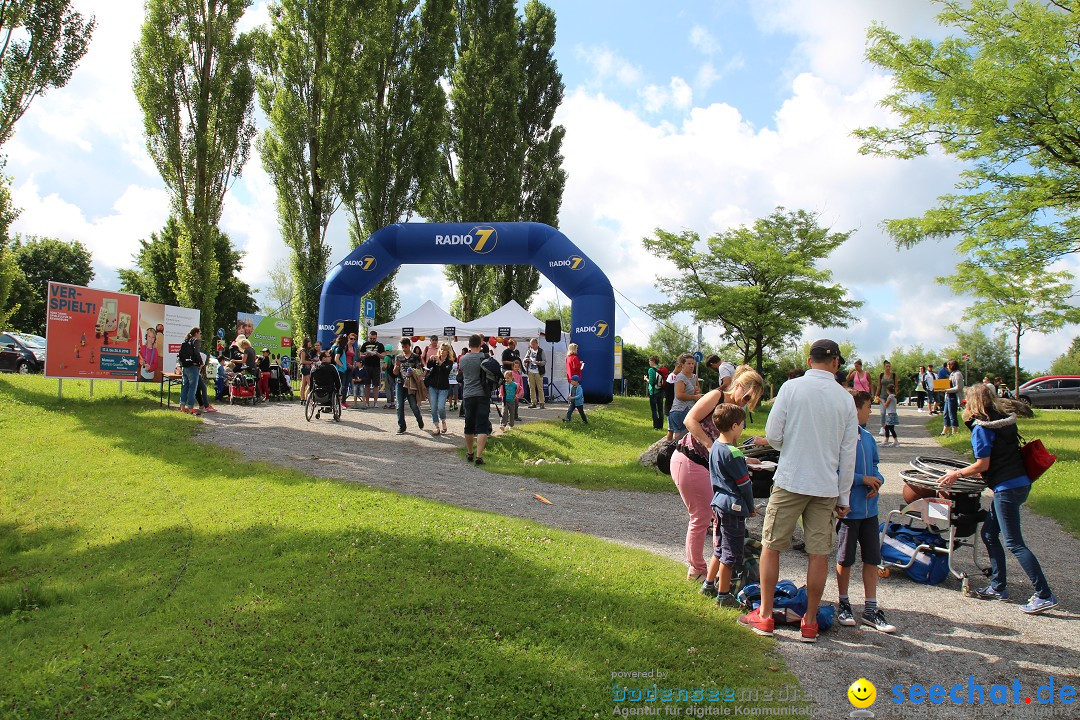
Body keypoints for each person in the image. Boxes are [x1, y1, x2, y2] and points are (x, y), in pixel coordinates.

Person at [739, 339, 858, 642]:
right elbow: (849, 453)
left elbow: (774, 436)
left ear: (808, 360)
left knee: (771, 545)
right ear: (836, 364)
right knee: (818, 554)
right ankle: (810, 621)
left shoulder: (791, 389)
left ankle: (765, 615)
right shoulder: (845, 399)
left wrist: (784, 443)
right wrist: (844, 496)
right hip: (825, 486)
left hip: (791, 480)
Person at [939, 384, 1058, 614]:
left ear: (971, 404)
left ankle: (1044, 594)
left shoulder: (981, 429)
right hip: (1020, 482)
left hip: (1007, 487)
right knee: (989, 534)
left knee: (1014, 543)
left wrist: (956, 474)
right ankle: (998, 586)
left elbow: (983, 464)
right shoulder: (1004, 420)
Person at [674, 366, 766, 582]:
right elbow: (690, 420)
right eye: (746, 396)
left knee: (718, 515)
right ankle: (696, 570)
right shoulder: (716, 396)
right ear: (740, 386)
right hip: (689, 459)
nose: (746, 402)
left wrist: (745, 459)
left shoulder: (736, 411)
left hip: (708, 465)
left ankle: (720, 569)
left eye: (750, 400)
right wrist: (709, 445)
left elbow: (730, 445)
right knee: (701, 516)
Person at [836, 391, 895, 633]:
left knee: (872, 559)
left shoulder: (869, 438)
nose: (870, 411)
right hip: (850, 512)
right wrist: (863, 480)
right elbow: (836, 473)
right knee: (845, 559)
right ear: (855, 409)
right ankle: (843, 602)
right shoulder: (840, 438)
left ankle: (871, 608)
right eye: (868, 407)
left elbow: (876, 467)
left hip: (870, 513)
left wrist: (877, 480)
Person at [698, 403, 756, 608]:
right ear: (733, 426)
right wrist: (750, 506)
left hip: (719, 504)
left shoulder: (715, 447)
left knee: (720, 548)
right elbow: (745, 485)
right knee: (731, 553)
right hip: (734, 506)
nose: (743, 429)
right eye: (741, 425)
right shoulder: (734, 453)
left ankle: (708, 584)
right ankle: (724, 595)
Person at [460, 334, 492, 464]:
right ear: (481, 344)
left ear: (469, 344)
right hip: (482, 394)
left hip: (468, 394)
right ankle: (479, 457)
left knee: (469, 425)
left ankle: (469, 453)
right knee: (482, 425)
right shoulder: (484, 357)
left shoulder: (463, 359)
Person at [392, 337, 425, 434]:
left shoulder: (415, 357)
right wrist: (397, 366)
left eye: (405, 347)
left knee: (413, 405)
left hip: (411, 384)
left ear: (409, 346)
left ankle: (419, 419)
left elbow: (420, 371)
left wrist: (413, 372)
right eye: (402, 347)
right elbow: (394, 372)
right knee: (399, 405)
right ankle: (402, 426)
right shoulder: (398, 357)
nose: (404, 349)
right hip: (400, 382)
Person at [667, 354, 701, 441]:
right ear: (682, 365)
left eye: (693, 363)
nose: (691, 366)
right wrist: (694, 397)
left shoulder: (694, 377)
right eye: (688, 363)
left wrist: (697, 391)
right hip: (680, 410)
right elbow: (679, 395)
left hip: (689, 409)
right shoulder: (680, 377)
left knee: (680, 437)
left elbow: (697, 390)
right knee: (683, 437)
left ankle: (675, 452)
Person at [426, 342, 454, 435]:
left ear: (448, 352)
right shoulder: (435, 359)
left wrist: (440, 362)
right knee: (433, 408)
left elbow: (446, 371)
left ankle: (443, 421)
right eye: (441, 349)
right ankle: (437, 426)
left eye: (445, 350)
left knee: (441, 407)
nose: (442, 351)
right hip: (433, 387)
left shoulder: (449, 362)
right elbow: (428, 366)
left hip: (443, 388)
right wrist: (430, 360)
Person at [178, 327, 203, 415]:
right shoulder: (195, 341)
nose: (200, 334)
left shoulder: (186, 341)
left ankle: (182, 407)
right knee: (192, 388)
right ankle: (190, 408)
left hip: (185, 367)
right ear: (196, 333)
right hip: (193, 367)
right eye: (200, 333)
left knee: (185, 387)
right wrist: (201, 362)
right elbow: (196, 352)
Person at [358, 330, 385, 409]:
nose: (372, 340)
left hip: (376, 366)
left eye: (374, 338)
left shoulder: (380, 345)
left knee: (376, 385)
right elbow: (360, 355)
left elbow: (383, 356)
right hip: (367, 366)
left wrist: (377, 354)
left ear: (376, 337)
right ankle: (367, 402)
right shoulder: (365, 344)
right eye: (371, 338)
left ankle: (375, 402)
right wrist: (366, 355)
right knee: (367, 385)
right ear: (369, 337)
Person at [942, 359, 964, 436]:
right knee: (945, 414)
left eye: (948, 365)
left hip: (954, 397)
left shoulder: (958, 374)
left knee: (952, 415)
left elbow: (959, 387)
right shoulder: (951, 374)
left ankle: (954, 432)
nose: (947, 367)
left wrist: (947, 390)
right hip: (948, 397)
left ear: (952, 365)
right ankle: (944, 431)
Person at [875, 360, 897, 436]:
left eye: (889, 366)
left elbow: (896, 386)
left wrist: (895, 394)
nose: (888, 368)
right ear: (884, 367)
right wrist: (876, 394)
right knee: (883, 412)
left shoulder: (893, 375)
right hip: (883, 396)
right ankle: (883, 427)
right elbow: (879, 386)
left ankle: (890, 428)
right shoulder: (881, 375)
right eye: (887, 366)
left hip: (891, 396)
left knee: (890, 413)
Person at [524, 338, 546, 409]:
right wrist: (526, 360)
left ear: (537, 344)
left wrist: (538, 363)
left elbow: (544, 362)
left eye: (533, 344)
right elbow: (524, 359)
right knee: (531, 387)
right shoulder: (529, 351)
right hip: (530, 371)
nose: (532, 346)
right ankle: (533, 402)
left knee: (540, 388)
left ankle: (542, 403)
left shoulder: (541, 351)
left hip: (538, 372)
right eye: (531, 344)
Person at [646, 355, 665, 430]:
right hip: (661, 391)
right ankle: (661, 426)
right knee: (660, 409)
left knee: (654, 409)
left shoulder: (651, 370)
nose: (649, 363)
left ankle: (655, 426)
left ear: (653, 362)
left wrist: (646, 379)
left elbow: (651, 382)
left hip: (653, 392)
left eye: (650, 361)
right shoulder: (661, 369)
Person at [332, 334, 351, 408]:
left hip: (339, 369)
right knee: (339, 386)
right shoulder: (339, 349)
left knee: (339, 386)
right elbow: (336, 359)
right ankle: (338, 402)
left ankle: (338, 402)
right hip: (340, 370)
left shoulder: (335, 347)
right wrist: (342, 365)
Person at [298, 337, 314, 402]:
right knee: (310, 383)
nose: (310, 344)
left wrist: (312, 360)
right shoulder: (303, 351)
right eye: (309, 342)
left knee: (304, 384)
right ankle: (308, 398)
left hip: (306, 368)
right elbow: (302, 361)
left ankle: (302, 399)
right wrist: (311, 362)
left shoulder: (307, 350)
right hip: (305, 368)